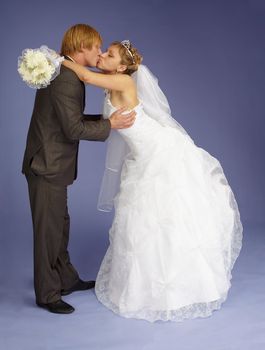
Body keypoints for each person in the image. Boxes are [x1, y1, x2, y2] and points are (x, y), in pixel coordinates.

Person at [61, 40, 243, 322]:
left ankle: (184, 287)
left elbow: (83, 75)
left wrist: (53, 59)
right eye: (104, 52)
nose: (102, 55)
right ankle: (144, 286)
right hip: (143, 157)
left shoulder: (123, 81)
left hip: (161, 152)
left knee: (166, 217)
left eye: (108, 55)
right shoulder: (113, 81)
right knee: (145, 220)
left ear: (122, 66)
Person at [22, 25, 136, 314]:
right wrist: (110, 125)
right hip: (46, 165)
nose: (99, 53)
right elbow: (73, 129)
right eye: (96, 47)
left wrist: (104, 118)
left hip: (51, 164)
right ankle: (47, 294)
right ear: (82, 46)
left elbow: (69, 118)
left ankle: (66, 279)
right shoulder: (67, 78)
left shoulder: (66, 72)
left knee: (60, 226)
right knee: (49, 232)